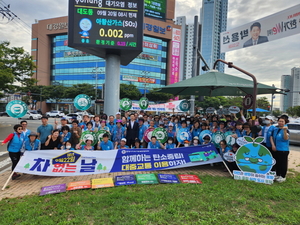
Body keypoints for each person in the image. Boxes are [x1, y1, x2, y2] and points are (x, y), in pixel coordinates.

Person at [270, 116, 290, 183]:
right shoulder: (276, 129)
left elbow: (286, 138)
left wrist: (284, 130)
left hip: (283, 150)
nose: (280, 122)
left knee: (283, 163)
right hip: (276, 149)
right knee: (277, 163)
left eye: (282, 121)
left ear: (285, 122)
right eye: (279, 121)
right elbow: (272, 137)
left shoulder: (286, 129)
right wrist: (273, 145)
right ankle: (278, 174)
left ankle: (283, 176)